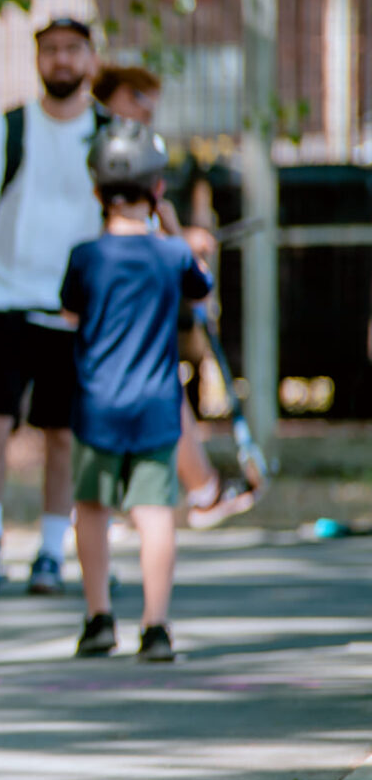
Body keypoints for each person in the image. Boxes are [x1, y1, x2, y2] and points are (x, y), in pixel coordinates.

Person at [0, 18, 103, 595]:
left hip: (74, 310)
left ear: (90, 58)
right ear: (38, 60)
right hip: (2, 297)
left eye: (72, 50)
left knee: (63, 435)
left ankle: (53, 549)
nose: (61, 60)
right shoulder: (7, 130)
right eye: (51, 50)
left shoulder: (110, 133)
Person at [61, 120, 213, 662]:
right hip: (155, 404)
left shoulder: (86, 257)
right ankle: (156, 626)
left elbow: (71, 311)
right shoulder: (170, 256)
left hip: (96, 402)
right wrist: (180, 233)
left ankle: (99, 617)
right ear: (156, 190)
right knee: (154, 513)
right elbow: (199, 288)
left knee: (93, 509)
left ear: (97, 191)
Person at [91, 65, 253, 529]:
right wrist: (181, 246)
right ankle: (173, 495)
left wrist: (183, 243)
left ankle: (193, 491)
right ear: (113, 96)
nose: (147, 107)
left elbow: (158, 219)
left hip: (134, 303)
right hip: (110, 303)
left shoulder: (134, 150)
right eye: (137, 95)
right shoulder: (105, 149)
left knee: (155, 387)